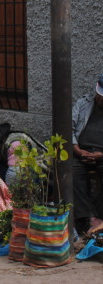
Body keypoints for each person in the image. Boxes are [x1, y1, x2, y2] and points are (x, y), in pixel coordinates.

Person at [72, 75, 103, 234]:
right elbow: (69, 128)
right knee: (70, 172)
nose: (101, 99)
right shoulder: (83, 104)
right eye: (100, 95)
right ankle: (92, 218)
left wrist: (100, 155)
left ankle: (100, 217)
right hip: (81, 151)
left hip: (101, 155)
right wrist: (77, 149)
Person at [0, 121, 42, 187]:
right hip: (13, 171)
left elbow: (13, 175)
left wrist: (6, 193)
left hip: (32, 173)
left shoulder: (14, 145)